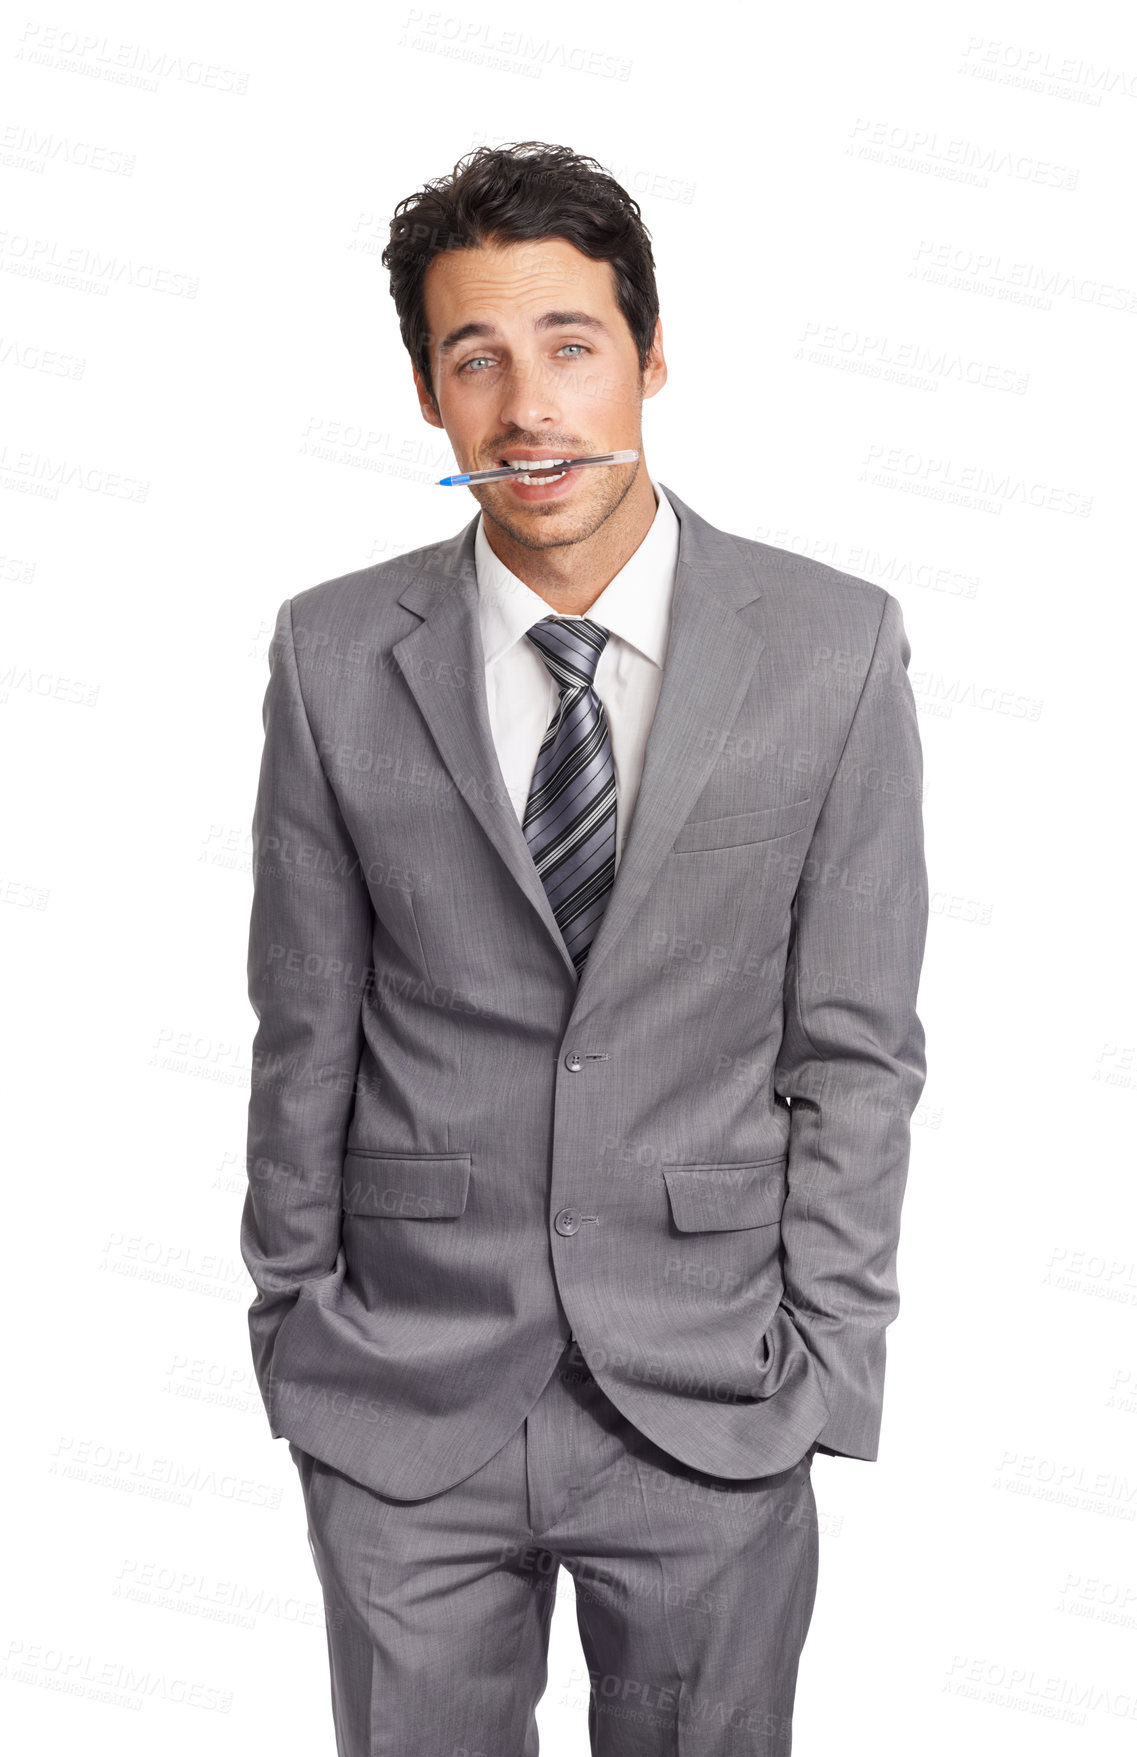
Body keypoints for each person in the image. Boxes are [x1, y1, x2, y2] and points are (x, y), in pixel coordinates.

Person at [241, 139, 929, 1755]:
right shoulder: (335, 651)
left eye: (569, 343)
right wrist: (294, 1331)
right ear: (428, 395)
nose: (526, 402)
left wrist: (823, 1358)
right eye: (474, 357)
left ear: (650, 354)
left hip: (709, 1397)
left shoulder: (832, 643)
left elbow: (854, 1043)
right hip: (405, 1389)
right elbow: (302, 1024)